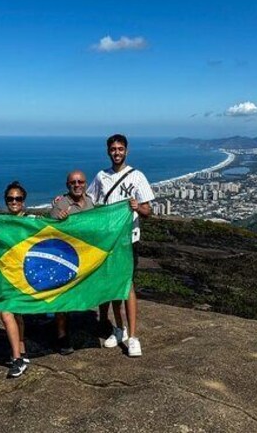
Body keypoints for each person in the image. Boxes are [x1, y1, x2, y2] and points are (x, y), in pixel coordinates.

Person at [87, 134, 154, 357]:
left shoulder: (137, 176)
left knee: (127, 287)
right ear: (108, 151)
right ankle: (118, 329)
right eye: (113, 149)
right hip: (107, 241)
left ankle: (133, 337)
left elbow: (148, 211)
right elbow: (89, 202)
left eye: (120, 148)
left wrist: (137, 207)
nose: (117, 152)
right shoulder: (101, 177)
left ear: (127, 151)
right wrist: (63, 201)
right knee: (114, 286)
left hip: (128, 239)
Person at [48, 169, 94, 354]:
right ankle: (61, 336)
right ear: (68, 185)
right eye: (73, 182)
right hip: (65, 256)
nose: (77, 185)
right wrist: (59, 220)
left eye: (80, 182)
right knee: (63, 297)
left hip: (85, 255)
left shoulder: (90, 202)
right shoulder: (60, 204)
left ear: (85, 183)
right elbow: (48, 229)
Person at [0, 181, 30, 378]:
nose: (14, 202)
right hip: (8, 275)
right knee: (10, 314)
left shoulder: (32, 220)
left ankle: (19, 355)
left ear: (24, 201)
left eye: (18, 198)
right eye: (10, 199)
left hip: (26, 276)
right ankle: (20, 355)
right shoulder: (1, 223)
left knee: (11, 314)